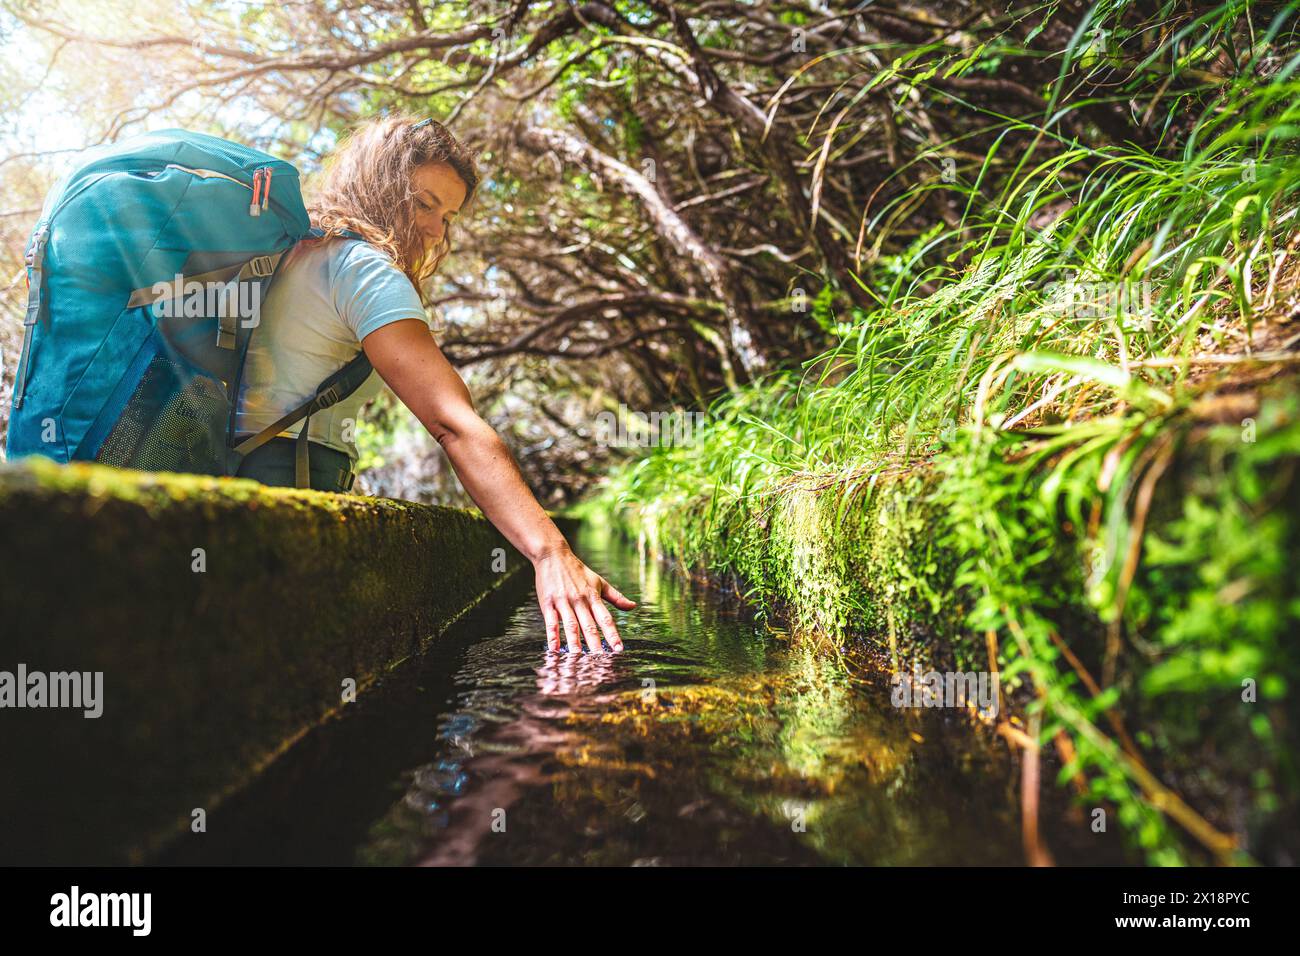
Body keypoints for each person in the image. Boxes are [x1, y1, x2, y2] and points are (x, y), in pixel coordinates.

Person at [232, 113, 634, 653]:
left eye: (448, 215)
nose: (436, 230)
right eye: (424, 204)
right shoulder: (365, 270)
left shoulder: (290, 251)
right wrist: (549, 553)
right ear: (378, 184)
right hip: (289, 494)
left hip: (228, 474)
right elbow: (451, 423)